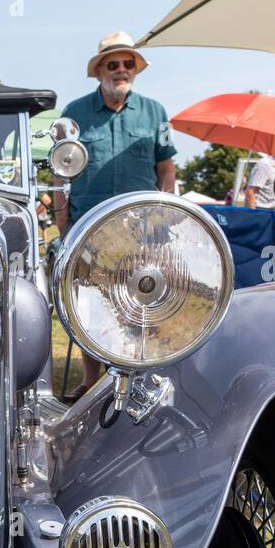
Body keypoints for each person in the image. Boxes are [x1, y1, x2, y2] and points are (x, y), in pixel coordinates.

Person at [54, 30, 178, 386]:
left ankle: (137, 377)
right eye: (113, 64)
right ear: (99, 72)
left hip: (145, 231)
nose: (121, 70)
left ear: (135, 70)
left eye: (128, 64)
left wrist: (165, 212)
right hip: (89, 228)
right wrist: (63, 223)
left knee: (142, 303)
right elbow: (62, 170)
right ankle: (92, 384)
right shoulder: (73, 114)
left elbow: (166, 168)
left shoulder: (156, 112)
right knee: (91, 307)